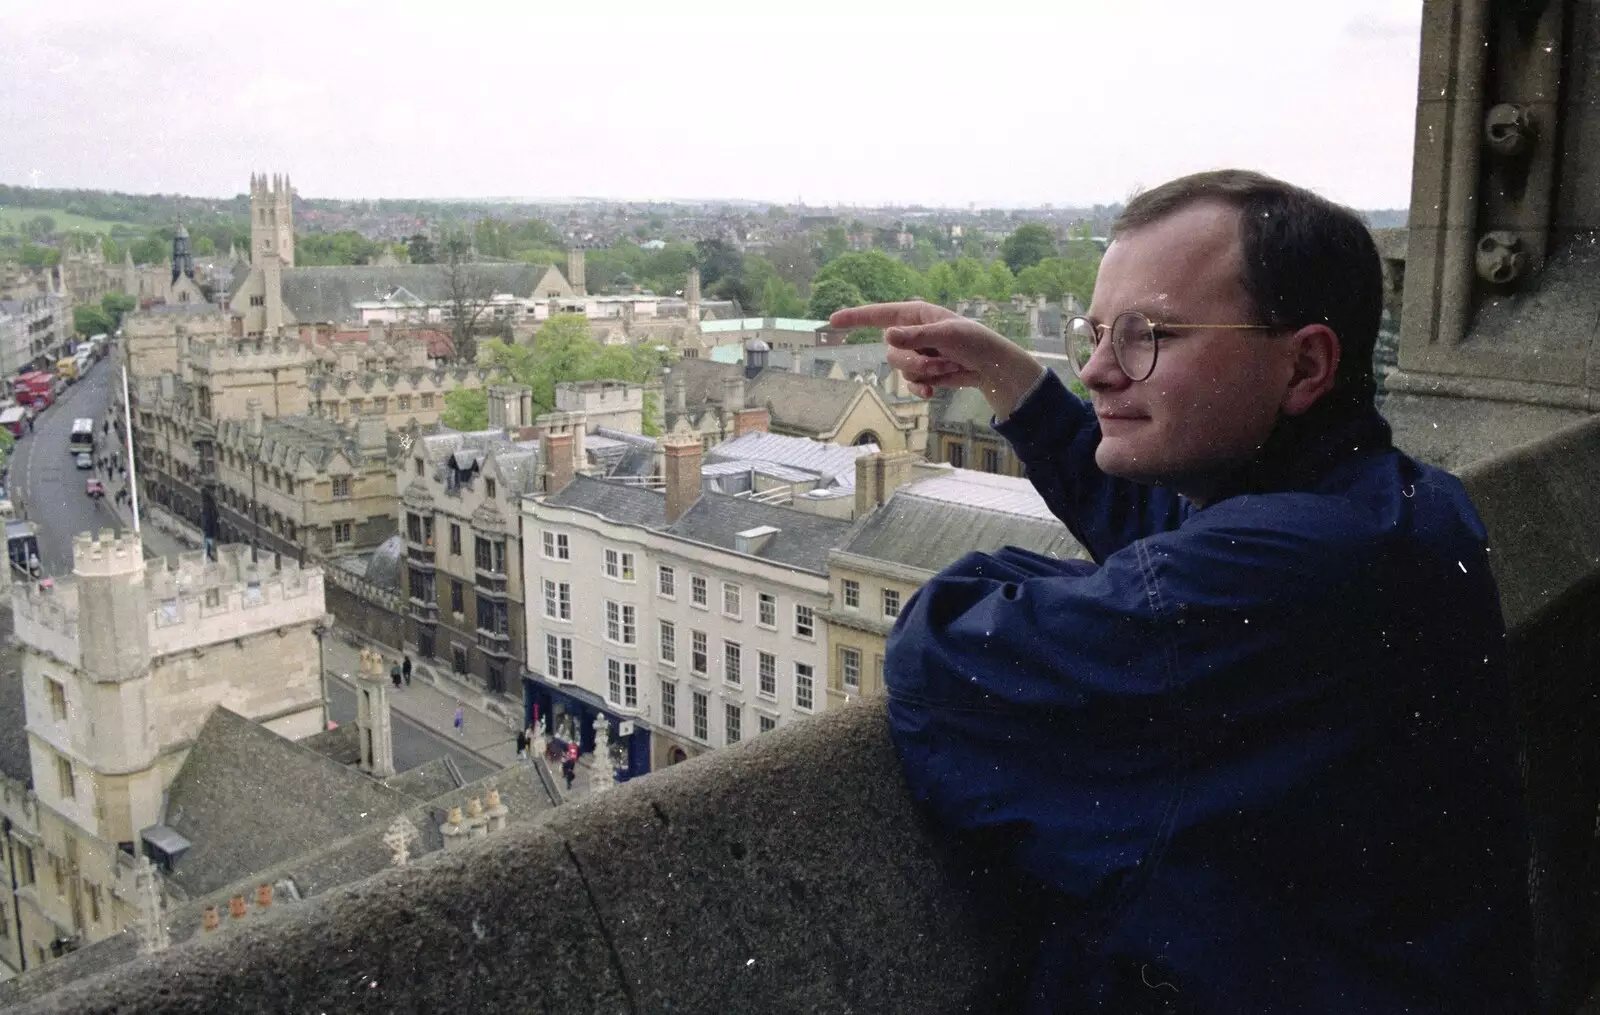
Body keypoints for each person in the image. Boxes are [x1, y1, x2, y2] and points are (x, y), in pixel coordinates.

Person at [837, 170, 1533, 1013]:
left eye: (1147, 335)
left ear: (1305, 364)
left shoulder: (1270, 576)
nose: (1096, 369)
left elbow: (947, 657)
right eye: (1091, 334)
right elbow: (1180, 528)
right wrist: (1011, 379)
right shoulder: (1399, 506)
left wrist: (1058, 585)